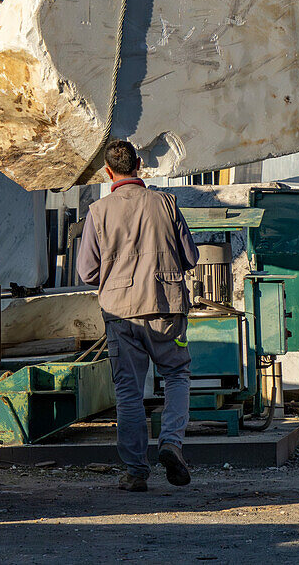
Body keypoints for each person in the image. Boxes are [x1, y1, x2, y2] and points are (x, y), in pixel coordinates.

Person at [76, 139, 199, 492]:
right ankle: (171, 443)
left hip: (120, 312)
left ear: (108, 172)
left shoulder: (98, 212)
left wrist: (117, 279)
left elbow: (87, 272)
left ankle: (135, 472)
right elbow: (190, 257)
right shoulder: (166, 202)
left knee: (129, 392)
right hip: (166, 307)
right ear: (140, 165)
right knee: (177, 374)